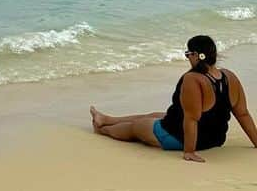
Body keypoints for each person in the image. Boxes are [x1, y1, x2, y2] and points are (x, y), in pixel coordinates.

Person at [90, 35, 257, 162]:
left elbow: (192, 119)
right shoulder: (230, 77)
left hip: (179, 138)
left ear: (197, 55)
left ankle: (102, 129)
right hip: (215, 139)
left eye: (188, 54)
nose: (187, 58)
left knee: (136, 127)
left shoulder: (193, 79)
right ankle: (106, 119)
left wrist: (189, 152)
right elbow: (242, 114)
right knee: (154, 115)